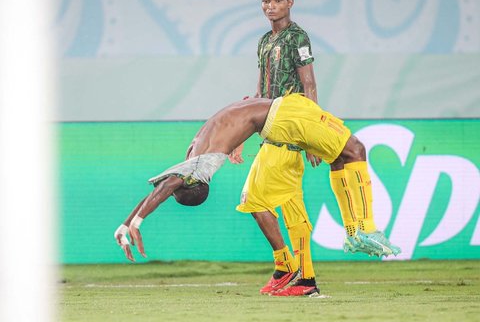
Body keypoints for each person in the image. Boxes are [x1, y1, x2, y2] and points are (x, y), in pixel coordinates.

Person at [114, 94, 401, 281]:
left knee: (348, 153)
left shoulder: (199, 166)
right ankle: (359, 230)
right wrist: (131, 223)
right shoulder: (197, 156)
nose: (172, 185)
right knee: (352, 151)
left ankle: (357, 231)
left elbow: (164, 188)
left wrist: (132, 223)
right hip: (283, 115)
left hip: (283, 115)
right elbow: (164, 188)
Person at [230, 0, 321, 297]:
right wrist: (242, 132)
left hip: (289, 129)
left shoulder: (298, 37)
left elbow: (309, 84)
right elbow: (259, 93)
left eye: (277, 1)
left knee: (252, 199)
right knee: (294, 208)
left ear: (290, 3)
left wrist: (312, 134)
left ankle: (285, 267)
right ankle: (305, 279)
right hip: (269, 132)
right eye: (265, 1)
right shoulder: (264, 41)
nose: (270, 6)